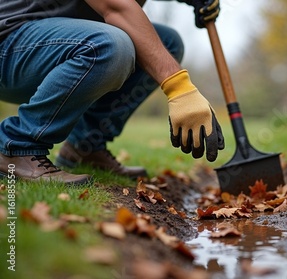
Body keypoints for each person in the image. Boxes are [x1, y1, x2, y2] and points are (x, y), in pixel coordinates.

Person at [0, 0, 225, 185]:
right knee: (110, 45)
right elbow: (116, 7)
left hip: (47, 45)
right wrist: (180, 88)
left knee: (167, 42)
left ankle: (85, 146)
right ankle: (15, 147)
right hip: (9, 44)